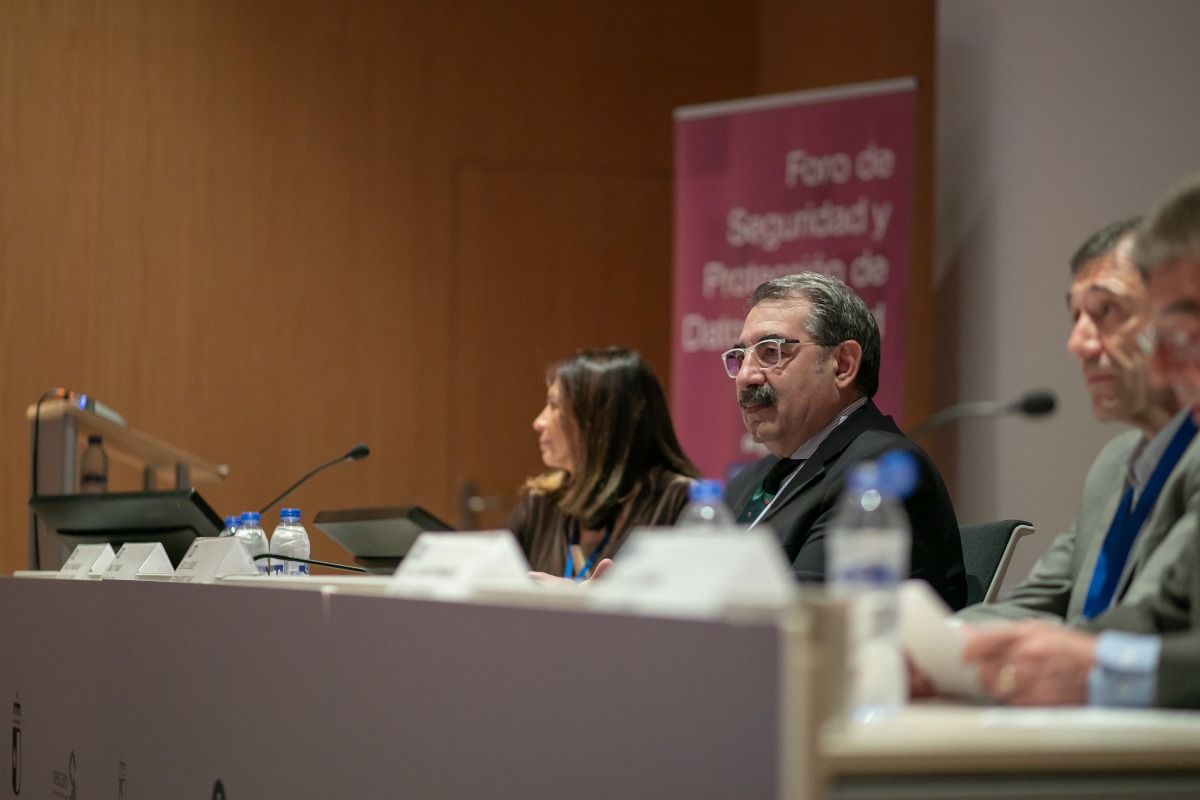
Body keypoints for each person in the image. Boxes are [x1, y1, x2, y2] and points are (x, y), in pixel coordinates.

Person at [963, 174, 1200, 708]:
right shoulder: (1115, 464)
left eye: (1109, 313)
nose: (1078, 344)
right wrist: (939, 643)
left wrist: (1084, 666)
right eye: (1074, 317)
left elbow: (1150, 622)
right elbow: (1043, 604)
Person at [722, 273, 968, 609]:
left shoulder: (880, 472)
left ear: (843, 365)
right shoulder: (748, 483)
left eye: (770, 352)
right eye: (740, 357)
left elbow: (809, 618)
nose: (747, 376)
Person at [504, 347, 699, 579]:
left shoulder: (681, 502)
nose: (539, 422)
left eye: (554, 406)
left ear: (600, 419)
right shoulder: (542, 503)